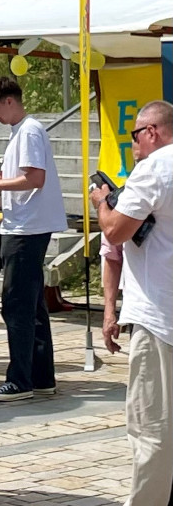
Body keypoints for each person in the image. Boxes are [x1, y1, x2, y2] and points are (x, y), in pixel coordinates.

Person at [90, 100, 173, 506]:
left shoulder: (154, 168)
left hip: (161, 316)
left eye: (136, 134)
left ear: (153, 132)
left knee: (151, 426)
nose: (134, 143)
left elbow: (117, 230)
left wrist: (102, 202)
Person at [0, 76, 64, 402]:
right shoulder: (22, 132)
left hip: (26, 228)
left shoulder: (28, 131)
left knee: (16, 306)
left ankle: (20, 379)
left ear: (9, 100)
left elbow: (34, 178)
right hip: (23, 225)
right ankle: (41, 376)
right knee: (32, 304)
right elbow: (24, 175)